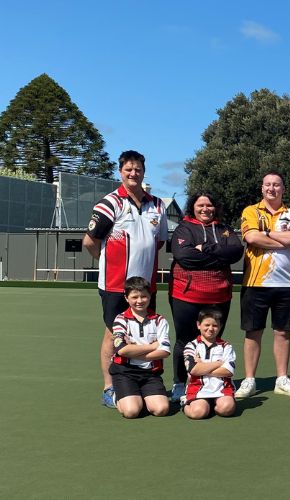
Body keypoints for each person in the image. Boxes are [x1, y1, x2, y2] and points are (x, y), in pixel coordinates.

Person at [84, 150, 168, 408]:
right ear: (120, 172)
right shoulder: (109, 203)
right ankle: (110, 387)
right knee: (113, 334)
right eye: (128, 170)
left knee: (144, 333)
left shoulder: (157, 205)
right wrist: (107, 262)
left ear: (144, 172)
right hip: (115, 285)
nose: (133, 174)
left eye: (138, 169)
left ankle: (138, 383)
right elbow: (89, 241)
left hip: (145, 286)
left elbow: (160, 240)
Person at [234, 171, 290, 398]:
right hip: (255, 282)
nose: (271, 189)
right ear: (262, 188)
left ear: (283, 189)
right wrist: (278, 238)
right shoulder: (250, 211)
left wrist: (265, 234)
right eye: (267, 185)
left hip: (287, 284)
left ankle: (282, 379)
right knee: (252, 332)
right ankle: (249, 380)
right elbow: (252, 238)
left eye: (276, 185)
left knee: (282, 333)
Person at [168, 191, 243, 402]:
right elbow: (184, 257)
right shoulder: (184, 228)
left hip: (219, 294)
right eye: (200, 205)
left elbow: (236, 252)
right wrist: (219, 256)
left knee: (213, 341)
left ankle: (213, 383)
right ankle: (179, 383)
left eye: (209, 205)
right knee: (185, 341)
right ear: (193, 207)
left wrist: (206, 249)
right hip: (187, 295)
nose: (205, 209)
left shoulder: (224, 229)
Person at [108, 276, 171, 418]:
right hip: (125, 372)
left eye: (144, 296)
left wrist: (133, 351)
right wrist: (153, 346)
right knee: (131, 412)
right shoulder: (120, 319)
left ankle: (140, 395)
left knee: (161, 410)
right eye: (134, 297)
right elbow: (122, 350)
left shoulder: (159, 320)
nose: (139, 301)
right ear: (126, 298)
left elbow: (165, 351)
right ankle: (117, 396)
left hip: (150, 373)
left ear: (150, 297)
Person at [181, 307, 236, 419]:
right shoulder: (191, 346)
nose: (210, 329)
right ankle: (185, 403)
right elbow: (193, 370)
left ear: (220, 327)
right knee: (198, 413)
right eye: (207, 325)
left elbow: (228, 371)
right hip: (198, 388)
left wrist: (202, 367)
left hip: (222, 388)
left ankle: (213, 404)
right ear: (198, 325)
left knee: (227, 409)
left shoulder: (226, 347)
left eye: (215, 325)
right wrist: (218, 363)